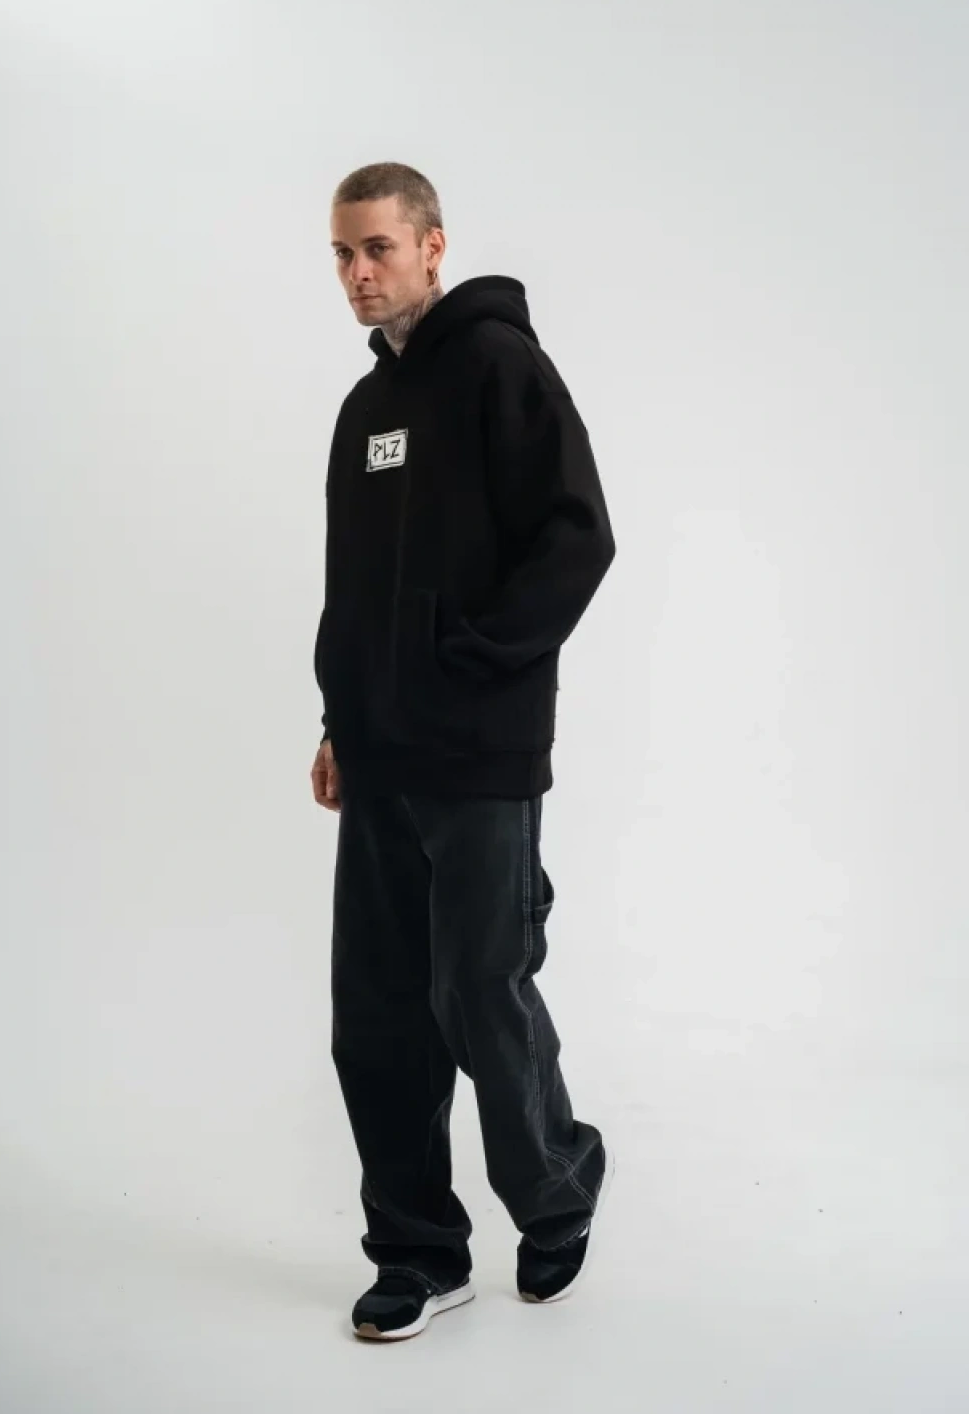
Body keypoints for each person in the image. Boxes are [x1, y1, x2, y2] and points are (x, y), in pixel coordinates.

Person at [311, 162, 616, 1341]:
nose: (357, 273)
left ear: (433, 246)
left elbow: (576, 536)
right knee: (377, 1012)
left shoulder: (499, 366)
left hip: (479, 752)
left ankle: (557, 1183)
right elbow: (353, 588)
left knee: (479, 991)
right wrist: (338, 719)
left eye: (377, 248)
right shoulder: (364, 411)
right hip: (381, 756)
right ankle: (419, 1250)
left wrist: (474, 664)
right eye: (342, 254)